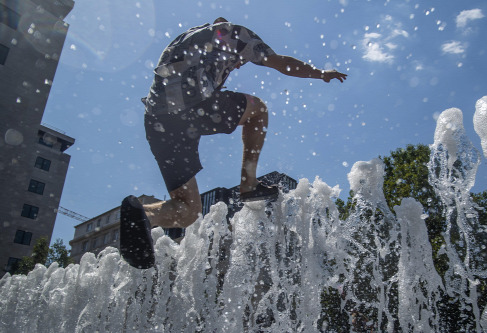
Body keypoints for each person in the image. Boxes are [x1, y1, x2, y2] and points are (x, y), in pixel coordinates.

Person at [120, 17, 347, 269]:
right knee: (258, 109)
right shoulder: (231, 33)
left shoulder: (184, 40)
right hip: (190, 106)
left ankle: (142, 215)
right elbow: (280, 62)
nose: (238, 66)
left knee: (188, 211)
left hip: (159, 122)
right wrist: (320, 73)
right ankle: (248, 184)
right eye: (239, 61)